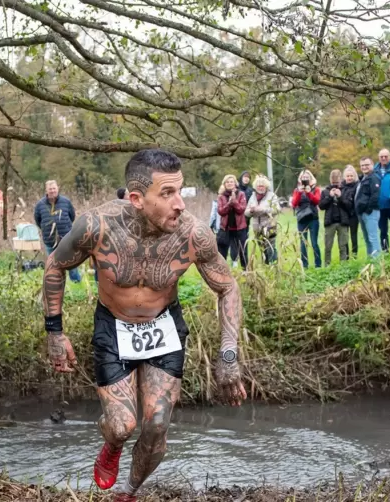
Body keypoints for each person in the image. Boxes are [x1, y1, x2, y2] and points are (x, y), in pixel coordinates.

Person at [42, 149, 246, 502]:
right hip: (113, 326)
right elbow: (54, 266)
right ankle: (112, 445)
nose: (180, 204)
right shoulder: (96, 226)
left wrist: (228, 353)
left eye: (179, 191)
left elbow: (227, 286)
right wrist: (55, 332)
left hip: (163, 325)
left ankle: (127, 492)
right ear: (137, 198)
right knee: (122, 427)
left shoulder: (193, 235)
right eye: (167, 194)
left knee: (157, 422)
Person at [34, 180, 81, 282]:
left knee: (71, 261)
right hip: (49, 240)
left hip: (66, 238)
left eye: (54, 188)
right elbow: (38, 220)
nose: (52, 191)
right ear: (46, 190)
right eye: (50, 189)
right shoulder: (40, 204)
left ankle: (76, 282)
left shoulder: (66, 202)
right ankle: (58, 282)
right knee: (54, 263)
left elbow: (72, 216)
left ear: (57, 189)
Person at [245, 174, 280, 265]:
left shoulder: (272, 196)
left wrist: (263, 209)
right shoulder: (252, 197)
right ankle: (266, 266)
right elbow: (246, 213)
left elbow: (277, 209)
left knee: (270, 247)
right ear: (255, 187)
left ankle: (274, 266)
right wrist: (252, 211)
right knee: (262, 248)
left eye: (262, 185)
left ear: (266, 186)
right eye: (259, 186)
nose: (260, 187)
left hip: (269, 227)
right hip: (257, 228)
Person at [291, 169, 322, 268]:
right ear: (300, 179)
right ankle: (305, 265)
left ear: (311, 178)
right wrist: (300, 193)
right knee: (303, 244)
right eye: (303, 177)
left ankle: (318, 265)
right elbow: (294, 204)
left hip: (313, 218)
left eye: (307, 177)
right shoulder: (296, 190)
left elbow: (317, 201)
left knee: (314, 243)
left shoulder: (316, 189)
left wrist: (309, 193)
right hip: (301, 219)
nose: (305, 179)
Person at [319, 169, 351, 262]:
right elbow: (321, 206)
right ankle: (327, 266)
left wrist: (340, 196)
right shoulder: (325, 191)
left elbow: (349, 206)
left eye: (337, 182)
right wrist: (329, 196)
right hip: (330, 222)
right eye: (333, 182)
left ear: (341, 179)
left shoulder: (345, 190)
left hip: (342, 222)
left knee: (343, 246)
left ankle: (343, 266)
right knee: (328, 247)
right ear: (330, 180)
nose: (335, 184)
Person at [217, 174, 249, 268]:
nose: (230, 183)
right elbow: (221, 211)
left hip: (240, 228)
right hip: (226, 228)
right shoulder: (221, 197)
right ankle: (222, 272)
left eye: (231, 182)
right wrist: (229, 203)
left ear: (235, 183)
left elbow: (241, 210)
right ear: (224, 184)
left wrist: (234, 202)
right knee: (222, 252)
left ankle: (245, 271)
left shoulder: (241, 194)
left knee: (243, 251)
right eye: (227, 182)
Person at [355, 157, 382, 258]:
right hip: (362, 213)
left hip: (371, 213)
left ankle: (377, 261)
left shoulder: (374, 178)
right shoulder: (363, 178)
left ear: (372, 165)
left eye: (366, 165)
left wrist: (368, 209)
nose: (364, 167)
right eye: (362, 165)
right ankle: (370, 261)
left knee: (373, 238)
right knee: (367, 239)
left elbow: (375, 195)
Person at [341, 166, 360, 258]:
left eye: (351, 176)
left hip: (353, 214)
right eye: (348, 176)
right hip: (344, 214)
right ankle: (346, 256)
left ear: (354, 176)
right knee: (344, 236)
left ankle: (355, 255)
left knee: (353, 235)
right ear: (345, 177)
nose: (349, 178)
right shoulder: (341, 187)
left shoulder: (357, 186)